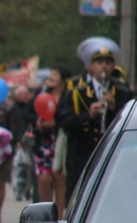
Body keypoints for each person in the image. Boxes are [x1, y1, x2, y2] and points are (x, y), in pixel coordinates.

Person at [57, 37, 133, 203]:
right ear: (90, 66)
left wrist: (114, 109)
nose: (104, 66)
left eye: (108, 62)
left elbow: (131, 123)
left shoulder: (122, 90)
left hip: (113, 156)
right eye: (99, 62)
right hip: (81, 157)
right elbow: (65, 123)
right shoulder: (76, 92)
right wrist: (89, 116)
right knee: (78, 201)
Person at [25, 66, 71, 219]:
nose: (51, 76)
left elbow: (68, 116)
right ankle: (46, 216)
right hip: (43, 142)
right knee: (43, 179)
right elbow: (28, 112)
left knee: (59, 179)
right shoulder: (42, 93)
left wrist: (55, 122)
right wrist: (37, 121)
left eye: (55, 73)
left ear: (63, 78)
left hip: (60, 142)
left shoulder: (68, 95)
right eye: (51, 73)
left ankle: (58, 219)